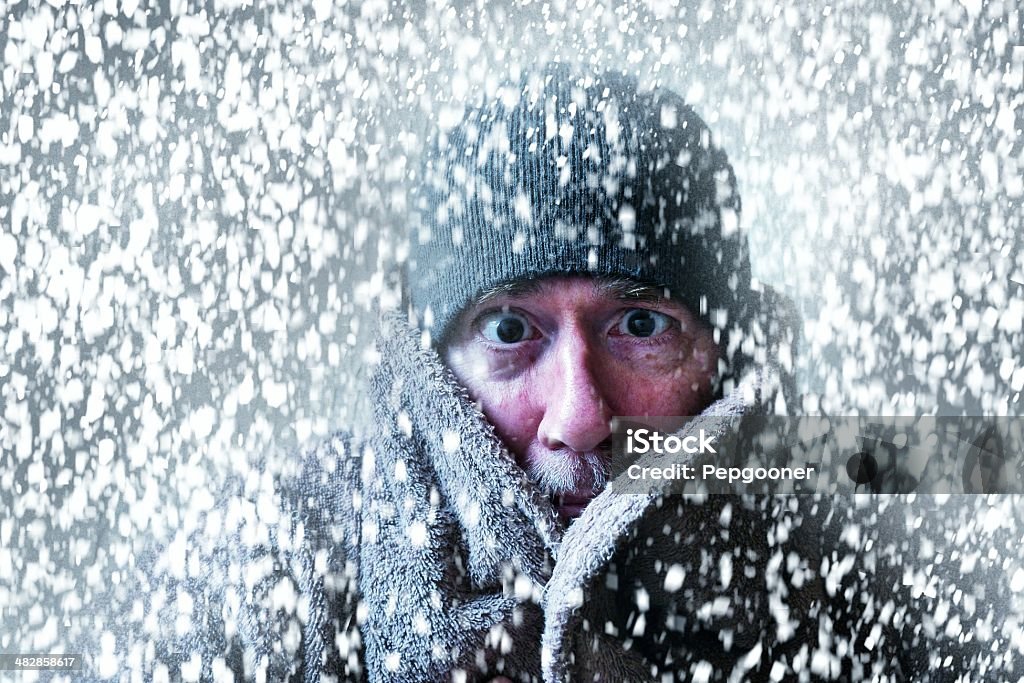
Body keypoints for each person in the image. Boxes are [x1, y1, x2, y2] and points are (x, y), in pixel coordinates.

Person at [109, 64, 1017, 682]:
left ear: (726, 356)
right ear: (431, 368)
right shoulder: (264, 590)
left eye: (639, 324)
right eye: (511, 328)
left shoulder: (863, 594)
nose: (579, 417)